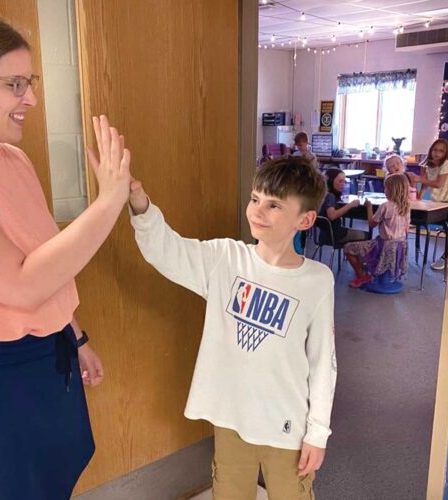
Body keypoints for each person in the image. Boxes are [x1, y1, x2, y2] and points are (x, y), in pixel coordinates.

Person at [129, 156, 336, 499]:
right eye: (255, 199)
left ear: (305, 219)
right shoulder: (226, 259)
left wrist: (318, 432)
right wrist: (140, 204)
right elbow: (167, 251)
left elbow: (322, 362)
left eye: (273, 206)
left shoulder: (317, 280)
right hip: (231, 418)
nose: (257, 211)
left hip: (286, 424)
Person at [0, 21, 131, 500]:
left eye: (29, 82)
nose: (31, 99)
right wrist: (108, 203)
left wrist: (74, 335)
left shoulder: (15, 161)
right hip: (8, 374)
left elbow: (45, 261)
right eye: (15, 84)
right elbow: (19, 286)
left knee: (55, 478)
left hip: (46, 353)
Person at [344, 173, 410, 288]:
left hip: (383, 246)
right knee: (365, 246)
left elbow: (371, 224)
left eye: (385, 188)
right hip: (400, 246)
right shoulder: (406, 206)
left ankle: (362, 276)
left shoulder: (386, 206)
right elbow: (406, 228)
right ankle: (370, 271)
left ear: (390, 190)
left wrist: (369, 207)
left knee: (348, 248)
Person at [410, 138, 448, 270]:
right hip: (436, 201)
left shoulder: (446, 164)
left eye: (441, 151)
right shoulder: (426, 163)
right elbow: (425, 184)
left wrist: (420, 179)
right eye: (435, 150)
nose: (437, 153)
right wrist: (419, 196)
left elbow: (439, 184)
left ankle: (445, 258)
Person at [320, 167, 370, 245]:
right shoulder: (330, 196)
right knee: (368, 236)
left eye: (344, 181)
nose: (343, 184)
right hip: (336, 235)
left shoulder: (321, 194)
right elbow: (332, 216)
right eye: (340, 181)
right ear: (330, 181)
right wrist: (350, 205)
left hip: (324, 235)